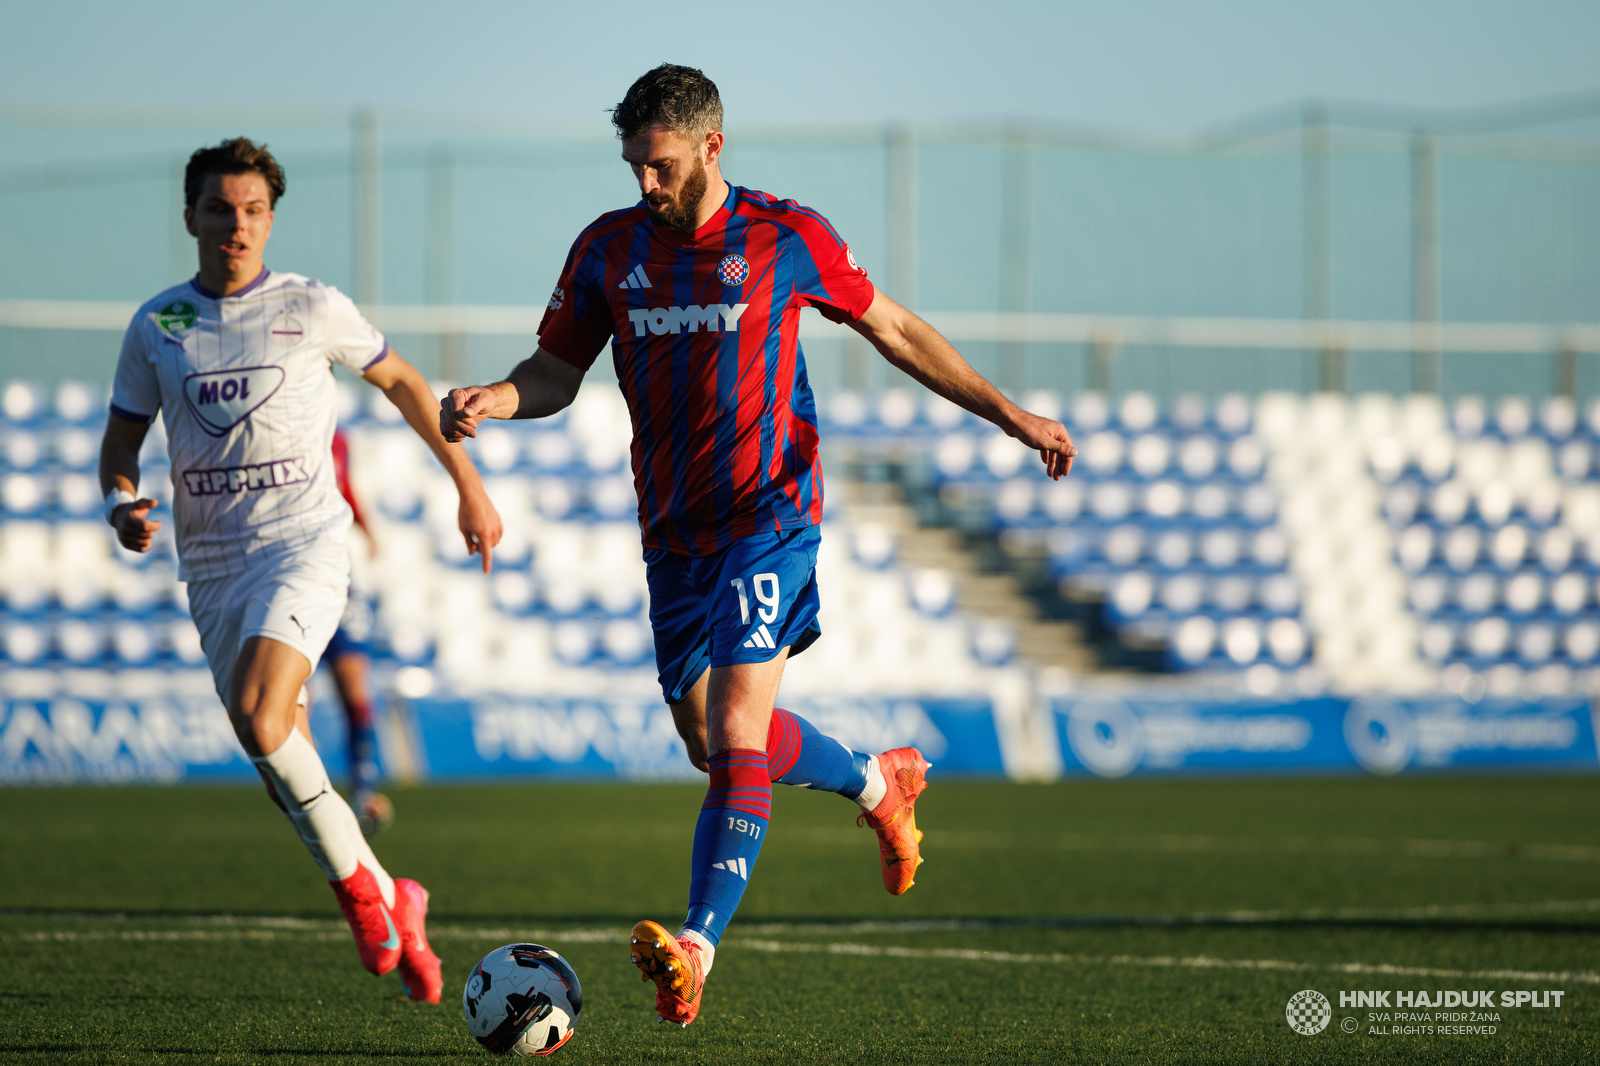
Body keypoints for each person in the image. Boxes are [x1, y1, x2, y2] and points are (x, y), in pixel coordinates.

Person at [439, 64, 1074, 1028]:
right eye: (632, 167)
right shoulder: (608, 251)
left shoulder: (785, 236)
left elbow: (895, 329)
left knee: (737, 730)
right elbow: (556, 370)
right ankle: (877, 781)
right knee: (711, 744)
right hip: (672, 533)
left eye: (658, 165)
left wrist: (1010, 414)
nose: (644, 185)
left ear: (710, 147)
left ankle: (694, 949)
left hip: (770, 515)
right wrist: (497, 396)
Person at [100, 136, 503, 1005]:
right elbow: (119, 449)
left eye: (252, 210)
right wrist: (120, 503)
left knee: (257, 710)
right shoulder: (158, 325)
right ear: (191, 218)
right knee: (278, 749)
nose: (236, 225)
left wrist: (467, 482)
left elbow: (399, 381)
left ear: (271, 218)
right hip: (210, 565)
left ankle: (360, 895)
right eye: (219, 209)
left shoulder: (312, 307)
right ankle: (398, 893)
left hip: (304, 543)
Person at [327, 426, 392, 836]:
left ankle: (363, 790)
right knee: (294, 696)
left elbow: (344, 485)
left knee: (355, 693)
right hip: (291, 574)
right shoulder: (273, 418)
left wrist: (366, 528)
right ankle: (306, 798)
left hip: (343, 580)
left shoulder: (339, 437)